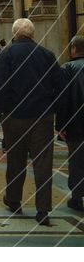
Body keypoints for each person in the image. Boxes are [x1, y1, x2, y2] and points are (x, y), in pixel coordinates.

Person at [0, 18, 63, 226]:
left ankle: (14, 200)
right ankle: (43, 210)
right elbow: (59, 85)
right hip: (41, 118)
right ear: (32, 34)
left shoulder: (6, 55)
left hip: (14, 117)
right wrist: (54, 111)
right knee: (43, 164)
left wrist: (2, 112)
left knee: (16, 160)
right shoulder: (47, 55)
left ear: (15, 34)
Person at [56, 34, 84, 212]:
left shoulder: (67, 68)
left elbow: (63, 99)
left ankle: (77, 197)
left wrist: (60, 125)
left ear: (73, 49)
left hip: (76, 124)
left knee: (76, 160)